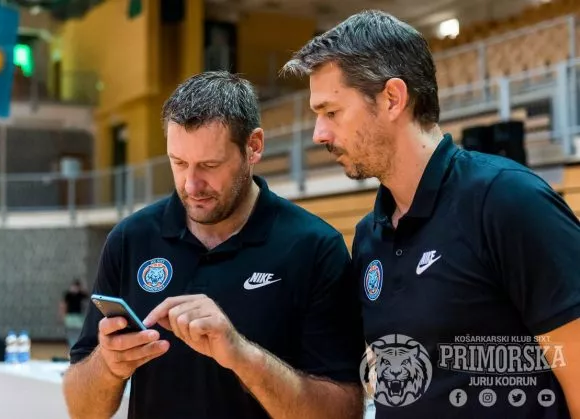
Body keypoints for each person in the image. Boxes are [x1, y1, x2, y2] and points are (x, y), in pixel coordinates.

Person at [282, 9, 580, 419]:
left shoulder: (507, 200)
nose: (319, 134)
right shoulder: (369, 235)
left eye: (331, 112)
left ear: (392, 99)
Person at [62, 71, 365, 419]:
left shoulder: (314, 247)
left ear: (254, 146)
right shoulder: (130, 239)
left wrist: (242, 355)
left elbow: (344, 412)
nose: (192, 184)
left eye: (209, 165)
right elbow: (81, 408)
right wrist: (108, 365)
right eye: (179, 163)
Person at [60, 278, 90, 350]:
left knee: (79, 333)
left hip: (78, 316)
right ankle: (71, 347)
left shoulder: (80, 294)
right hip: (70, 316)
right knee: (70, 333)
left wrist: (83, 287)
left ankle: (77, 347)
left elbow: (87, 295)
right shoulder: (68, 295)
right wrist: (63, 315)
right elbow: (63, 305)